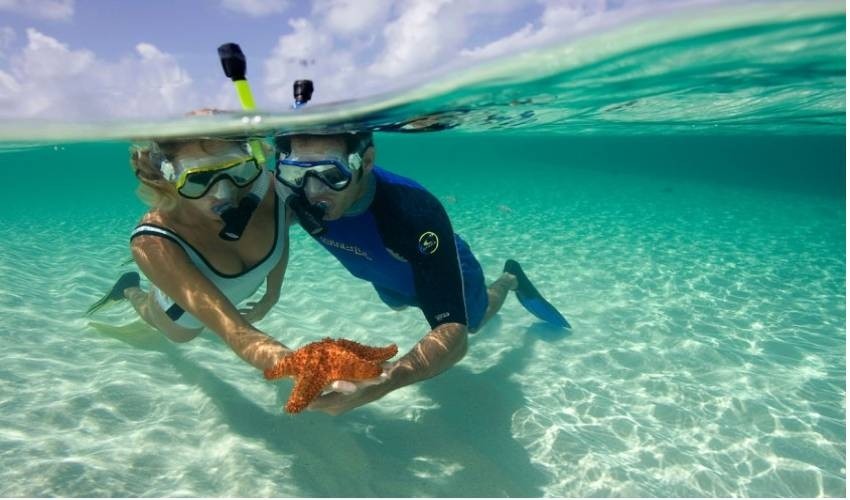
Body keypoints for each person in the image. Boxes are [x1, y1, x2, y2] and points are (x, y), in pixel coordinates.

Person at [273, 131, 569, 415]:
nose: (312, 192)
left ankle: (509, 278)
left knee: (472, 324)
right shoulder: (291, 192)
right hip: (386, 277)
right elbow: (266, 234)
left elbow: (453, 334)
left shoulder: (413, 213)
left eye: (331, 174)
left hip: (444, 269)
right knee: (398, 303)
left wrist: (384, 381)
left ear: (365, 162)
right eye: (298, 173)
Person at [87, 137, 294, 372]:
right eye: (198, 179)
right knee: (159, 319)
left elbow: (279, 236)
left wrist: (271, 295)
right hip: (180, 318)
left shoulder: (271, 191)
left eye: (236, 169)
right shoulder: (151, 240)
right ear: (166, 177)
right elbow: (236, 331)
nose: (224, 193)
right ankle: (129, 289)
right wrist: (298, 367)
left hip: (223, 294)